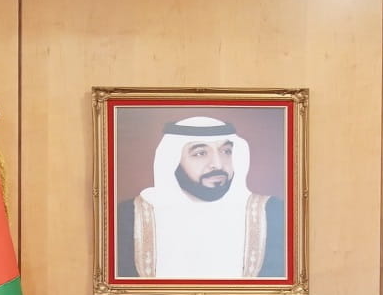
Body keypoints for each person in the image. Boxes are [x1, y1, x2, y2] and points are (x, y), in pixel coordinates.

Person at [115, 117, 286, 280]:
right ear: (172, 161)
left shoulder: (272, 213)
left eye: (226, 151)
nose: (218, 164)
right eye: (200, 153)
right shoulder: (128, 217)